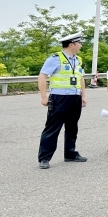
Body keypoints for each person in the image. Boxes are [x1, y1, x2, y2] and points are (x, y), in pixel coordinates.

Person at [37, 32, 88, 169]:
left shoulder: (78, 60)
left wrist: (83, 95)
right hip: (59, 98)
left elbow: (80, 78)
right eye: (79, 43)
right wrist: (43, 96)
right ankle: (44, 158)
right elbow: (42, 76)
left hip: (75, 97)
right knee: (53, 128)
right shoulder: (55, 58)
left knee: (72, 127)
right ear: (72, 44)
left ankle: (70, 154)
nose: (81, 45)